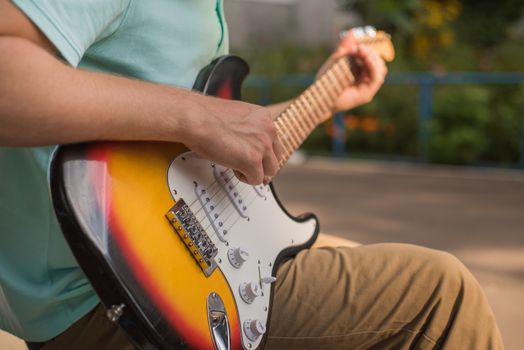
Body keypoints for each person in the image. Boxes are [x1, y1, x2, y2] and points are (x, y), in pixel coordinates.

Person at [0, 0, 504, 349]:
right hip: (111, 295)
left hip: (182, 265)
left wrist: (326, 96)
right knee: (439, 296)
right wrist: (194, 116)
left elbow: (193, 154)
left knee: (349, 253)